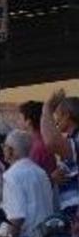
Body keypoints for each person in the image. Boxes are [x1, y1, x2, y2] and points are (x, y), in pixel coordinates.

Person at [0, 130, 56, 237]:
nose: (3, 150)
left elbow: (16, 218)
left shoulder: (12, 176)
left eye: (4, 146)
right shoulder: (41, 172)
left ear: (11, 151)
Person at [41, 92, 79, 221]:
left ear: (67, 115)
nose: (55, 121)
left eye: (57, 115)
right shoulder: (72, 140)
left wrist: (47, 109)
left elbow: (51, 141)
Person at [18, 101, 57, 175]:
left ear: (28, 122)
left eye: (20, 118)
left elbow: (32, 175)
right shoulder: (39, 141)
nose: (18, 122)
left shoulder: (38, 146)